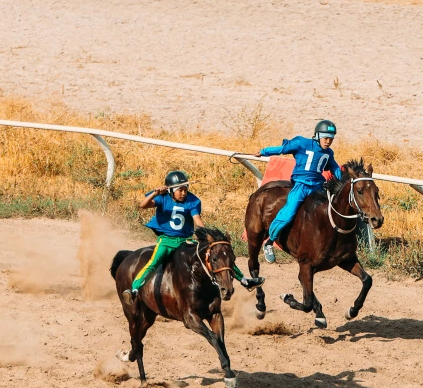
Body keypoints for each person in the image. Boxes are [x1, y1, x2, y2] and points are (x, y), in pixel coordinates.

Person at [121, 170, 264, 305]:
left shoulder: (192, 201)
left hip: (185, 240)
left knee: (217, 254)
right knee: (153, 262)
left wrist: (207, 235)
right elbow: (143, 205)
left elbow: (197, 219)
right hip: (166, 240)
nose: (183, 193)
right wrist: (154, 193)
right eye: (180, 190)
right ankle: (134, 289)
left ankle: (244, 280)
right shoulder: (162, 197)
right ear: (171, 190)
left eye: (185, 189)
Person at [256, 120, 343, 263]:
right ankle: (269, 242)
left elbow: (334, 168)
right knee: (289, 213)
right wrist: (263, 152)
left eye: (331, 139)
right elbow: (281, 149)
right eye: (325, 138)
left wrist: (344, 180)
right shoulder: (302, 143)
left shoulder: (329, 153)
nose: (328, 142)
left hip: (318, 186)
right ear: (317, 136)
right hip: (301, 186)